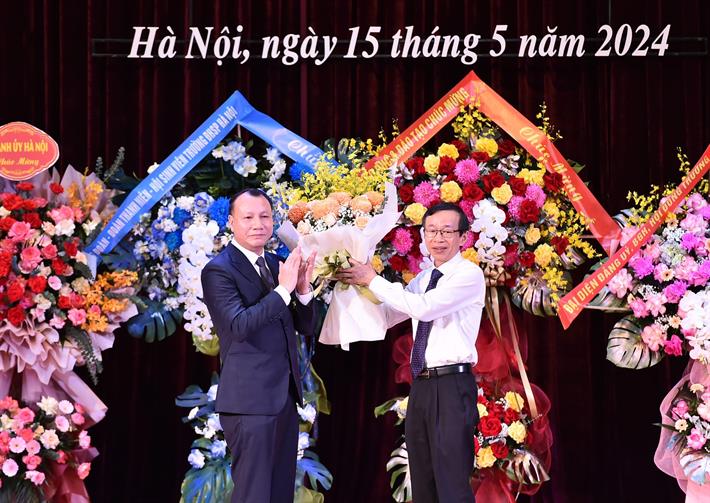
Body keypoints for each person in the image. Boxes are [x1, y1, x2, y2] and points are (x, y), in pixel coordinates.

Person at [337, 202, 485, 503]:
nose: (438, 238)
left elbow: (424, 308)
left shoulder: (469, 275)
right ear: (423, 235)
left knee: (452, 486)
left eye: (447, 231)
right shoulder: (423, 279)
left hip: (452, 386)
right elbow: (389, 315)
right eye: (431, 231)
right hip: (422, 386)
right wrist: (350, 288)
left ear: (463, 237)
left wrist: (372, 279)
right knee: (423, 483)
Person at [201, 188, 317, 503]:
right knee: (254, 494)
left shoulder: (278, 264)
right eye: (248, 217)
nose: (258, 224)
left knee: (280, 494)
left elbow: (305, 327)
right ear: (231, 222)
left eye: (264, 216)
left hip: (283, 398)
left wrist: (302, 289)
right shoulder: (219, 270)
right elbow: (239, 325)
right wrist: (283, 290)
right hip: (249, 403)